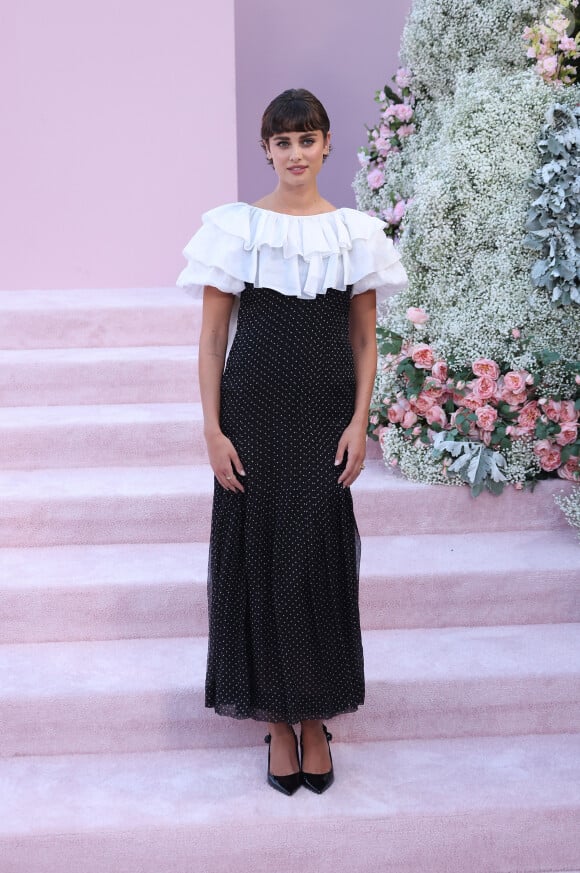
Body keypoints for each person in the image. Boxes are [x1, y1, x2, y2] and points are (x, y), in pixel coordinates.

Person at [177, 88, 407, 795]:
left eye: (307, 140)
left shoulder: (356, 233)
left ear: (328, 144)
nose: (296, 153)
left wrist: (360, 421)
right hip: (252, 411)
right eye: (283, 142)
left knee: (313, 559)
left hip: (323, 414)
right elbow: (214, 335)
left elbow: (365, 336)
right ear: (267, 150)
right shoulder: (237, 228)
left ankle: (315, 712)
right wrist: (214, 430)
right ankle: (278, 718)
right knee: (260, 557)